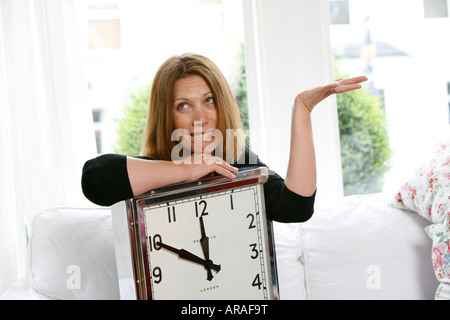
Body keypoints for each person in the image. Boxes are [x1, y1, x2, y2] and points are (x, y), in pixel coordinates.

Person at [81, 53, 367, 223]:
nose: (201, 118)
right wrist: (188, 167)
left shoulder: (236, 160)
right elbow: (96, 179)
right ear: (166, 116)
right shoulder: (151, 170)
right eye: (183, 105)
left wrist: (302, 110)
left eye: (209, 100)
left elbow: (295, 208)